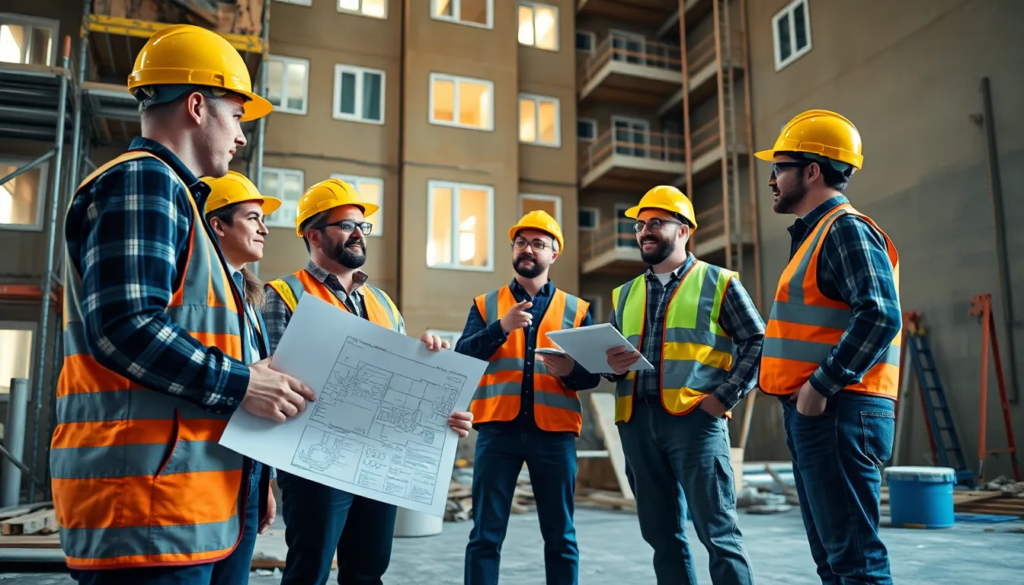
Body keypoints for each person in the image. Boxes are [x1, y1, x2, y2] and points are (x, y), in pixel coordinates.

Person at [50, 24, 315, 584]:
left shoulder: (178, 202)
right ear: (197, 105)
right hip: (147, 506)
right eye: (238, 116)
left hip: (182, 499)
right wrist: (244, 384)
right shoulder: (144, 182)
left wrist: (253, 472)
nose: (241, 137)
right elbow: (125, 328)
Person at [262, 178, 474, 585]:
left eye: (364, 226)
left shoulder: (382, 303)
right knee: (309, 570)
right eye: (346, 225)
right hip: (314, 462)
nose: (359, 233)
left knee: (367, 572)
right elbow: (271, 384)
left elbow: (401, 386)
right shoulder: (283, 294)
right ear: (313, 234)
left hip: (377, 460)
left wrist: (437, 393)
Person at [755, 109, 902, 584]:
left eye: (779, 167)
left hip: (839, 410)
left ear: (812, 171)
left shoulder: (844, 228)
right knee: (835, 559)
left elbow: (880, 313)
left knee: (855, 561)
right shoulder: (817, 234)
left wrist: (821, 385)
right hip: (823, 413)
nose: (772, 179)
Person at [603, 186, 762, 585]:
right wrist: (607, 365)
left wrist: (723, 397)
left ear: (685, 231)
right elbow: (616, 358)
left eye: (656, 222)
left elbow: (758, 343)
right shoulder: (625, 294)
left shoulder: (718, 281)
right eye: (640, 225)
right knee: (662, 536)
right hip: (637, 422)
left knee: (719, 534)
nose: (645, 232)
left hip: (694, 423)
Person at [456, 210, 601, 585]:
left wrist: (570, 371)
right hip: (496, 434)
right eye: (521, 242)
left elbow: (591, 375)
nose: (528, 249)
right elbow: (462, 356)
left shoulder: (577, 309)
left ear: (554, 254)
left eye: (538, 243)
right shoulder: (487, 304)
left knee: (561, 536)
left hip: (554, 436)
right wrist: (500, 328)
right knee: (485, 535)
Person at [202, 170, 284, 539]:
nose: (264, 229)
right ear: (218, 225)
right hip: (203, 467)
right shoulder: (199, 289)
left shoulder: (249, 296)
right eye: (254, 218)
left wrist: (263, 480)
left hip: (244, 471)